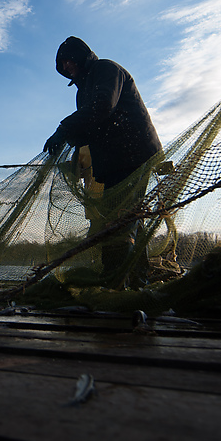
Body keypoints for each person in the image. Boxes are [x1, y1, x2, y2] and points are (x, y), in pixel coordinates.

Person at [43, 36, 162, 281]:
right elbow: (89, 130)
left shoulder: (106, 70)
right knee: (129, 218)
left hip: (133, 156)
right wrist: (74, 157)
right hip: (112, 162)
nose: (66, 67)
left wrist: (63, 128)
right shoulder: (82, 90)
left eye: (68, 60)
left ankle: (114, 281)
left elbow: (102, 106)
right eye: (61, 64)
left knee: (118, 220)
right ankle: (138, 280)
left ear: (81, 56)